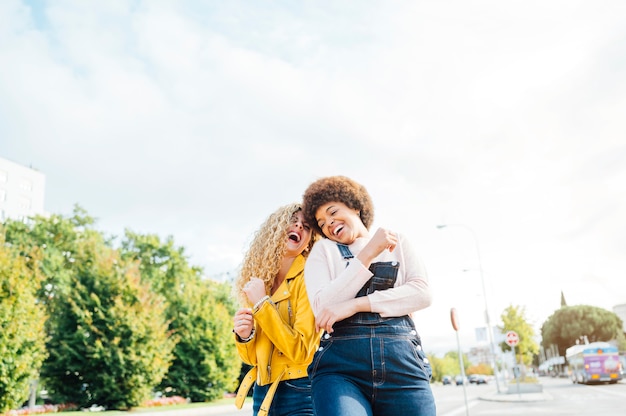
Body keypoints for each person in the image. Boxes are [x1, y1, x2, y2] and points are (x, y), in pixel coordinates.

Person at [301, 176, 436, 416]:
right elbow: (323, 307)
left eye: (333, 213)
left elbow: (422, 293)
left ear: (355, 205)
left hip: (402, 365)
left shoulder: (399, 242)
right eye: (322, 223)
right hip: (341, 371)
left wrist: (355, 305)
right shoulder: (324, 251)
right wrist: (368, 253)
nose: (329, 224)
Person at [233, 203, 320, 416]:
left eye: (306, 226)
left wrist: (263, 304)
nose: (299, 227)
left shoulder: (309, 278)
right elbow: (252, 359)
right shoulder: (259, 281)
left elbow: (300, 350)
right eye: (293, 221)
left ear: (309, 242)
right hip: (262, 393)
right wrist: (245, 336)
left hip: (301, 390)